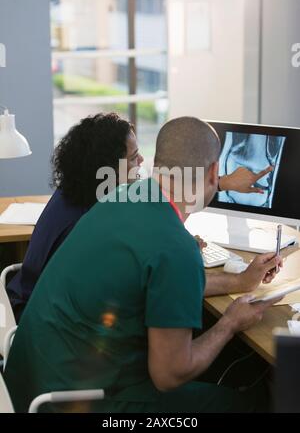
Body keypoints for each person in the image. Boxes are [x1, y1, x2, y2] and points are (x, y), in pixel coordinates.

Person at [4, 117, 282, 413]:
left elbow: (158, 285)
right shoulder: (175, 247)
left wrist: (240, 283)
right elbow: (169, 375)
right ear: (214, 172)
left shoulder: (119, 198)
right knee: (256, 404)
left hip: (27, 383)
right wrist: (229, 323)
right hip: (74, 403)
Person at [6, 112, 143, 322]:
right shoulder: (87, 223)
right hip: (42, 320)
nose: (141, 160)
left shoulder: (74, 193)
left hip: (27, 297)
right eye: (133, 157)